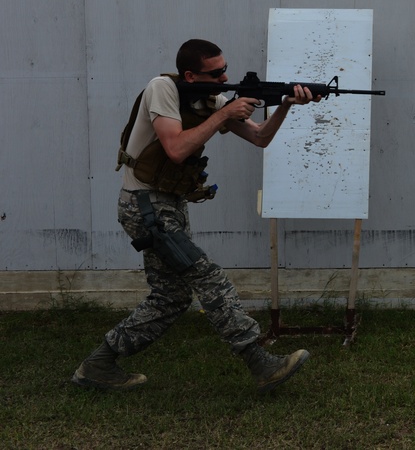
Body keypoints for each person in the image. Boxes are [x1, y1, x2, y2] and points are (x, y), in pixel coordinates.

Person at [72, 39, 321, 394]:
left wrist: (285, 106)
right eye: (216, 72)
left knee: (170, 297)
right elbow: (175, 149)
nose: (225, 78)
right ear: (191, 75)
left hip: (169, 205)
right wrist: (223, 113)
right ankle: (260, 362)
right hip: (144, 206)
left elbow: (261, 138)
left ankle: (98, 365)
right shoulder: (163, 89)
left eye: (225, 69)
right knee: (208, 278)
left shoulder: (211, 99)